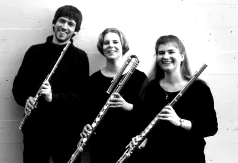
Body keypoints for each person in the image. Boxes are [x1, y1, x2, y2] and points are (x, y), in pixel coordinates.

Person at [12, 5, 89, 163]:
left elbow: (80, 97)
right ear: (54, 23)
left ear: (76, 31)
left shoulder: (80, 57)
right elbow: (18, 87)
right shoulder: (34, 52)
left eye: (71, 24)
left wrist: (53, 97)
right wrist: (26, 99)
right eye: (62, 21)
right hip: (36, 130)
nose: (64, 27)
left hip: (67, 132)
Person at [129, 35, 218, 163]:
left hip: (188, 157)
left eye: (171, 52)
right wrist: (141, 136)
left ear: (182, 56)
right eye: (161, 53)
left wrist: (179, 121)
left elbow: (210, 127)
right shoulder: (149, 87)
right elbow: (138, 120)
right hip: (153, 156)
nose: (165, 57)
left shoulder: (199, 88)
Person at [80, 28, 148, 163]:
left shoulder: (139, 78)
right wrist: (85, 125)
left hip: (130, 145)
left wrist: (129, 107)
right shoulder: (93, 80)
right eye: (106, 43)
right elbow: (86, 111)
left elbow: (149, 111)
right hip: (102, 146)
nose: (111, 45)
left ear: (123, 46)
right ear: (102, 47)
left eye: (115, 42)